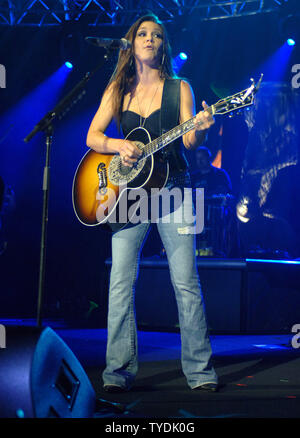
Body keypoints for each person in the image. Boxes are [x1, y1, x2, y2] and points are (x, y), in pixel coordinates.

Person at [86, 14, 218, 392]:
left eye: (156, 35)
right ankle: (117, 373)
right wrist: (119, 144)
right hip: (130, 194)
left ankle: (201, 374)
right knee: (120, 282)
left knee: (185, 282)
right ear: (131, 43)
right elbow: (93, 136)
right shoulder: (118, 87)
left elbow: (191, 144)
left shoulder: (181, 88)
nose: (149, 39)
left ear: (164, 45)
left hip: (176, 188)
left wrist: (201, 130)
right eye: (142, 34)